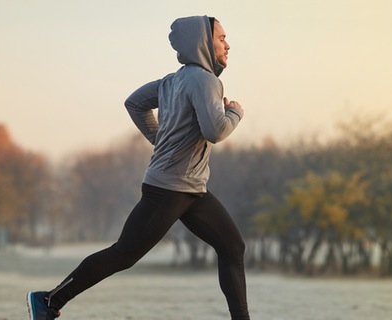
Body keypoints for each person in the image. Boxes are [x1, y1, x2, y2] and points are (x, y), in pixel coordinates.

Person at [26, 15, 250, 320]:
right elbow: (216, 131)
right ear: (202, 42)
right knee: (124, 253)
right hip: (169, 190)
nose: (228, 44)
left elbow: (135, 102)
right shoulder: (206, 80)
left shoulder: (172, 81)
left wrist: (160, 138)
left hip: (193, 190)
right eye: (221, 37)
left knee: (232, 247)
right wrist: (234, 113)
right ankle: (48, 301)